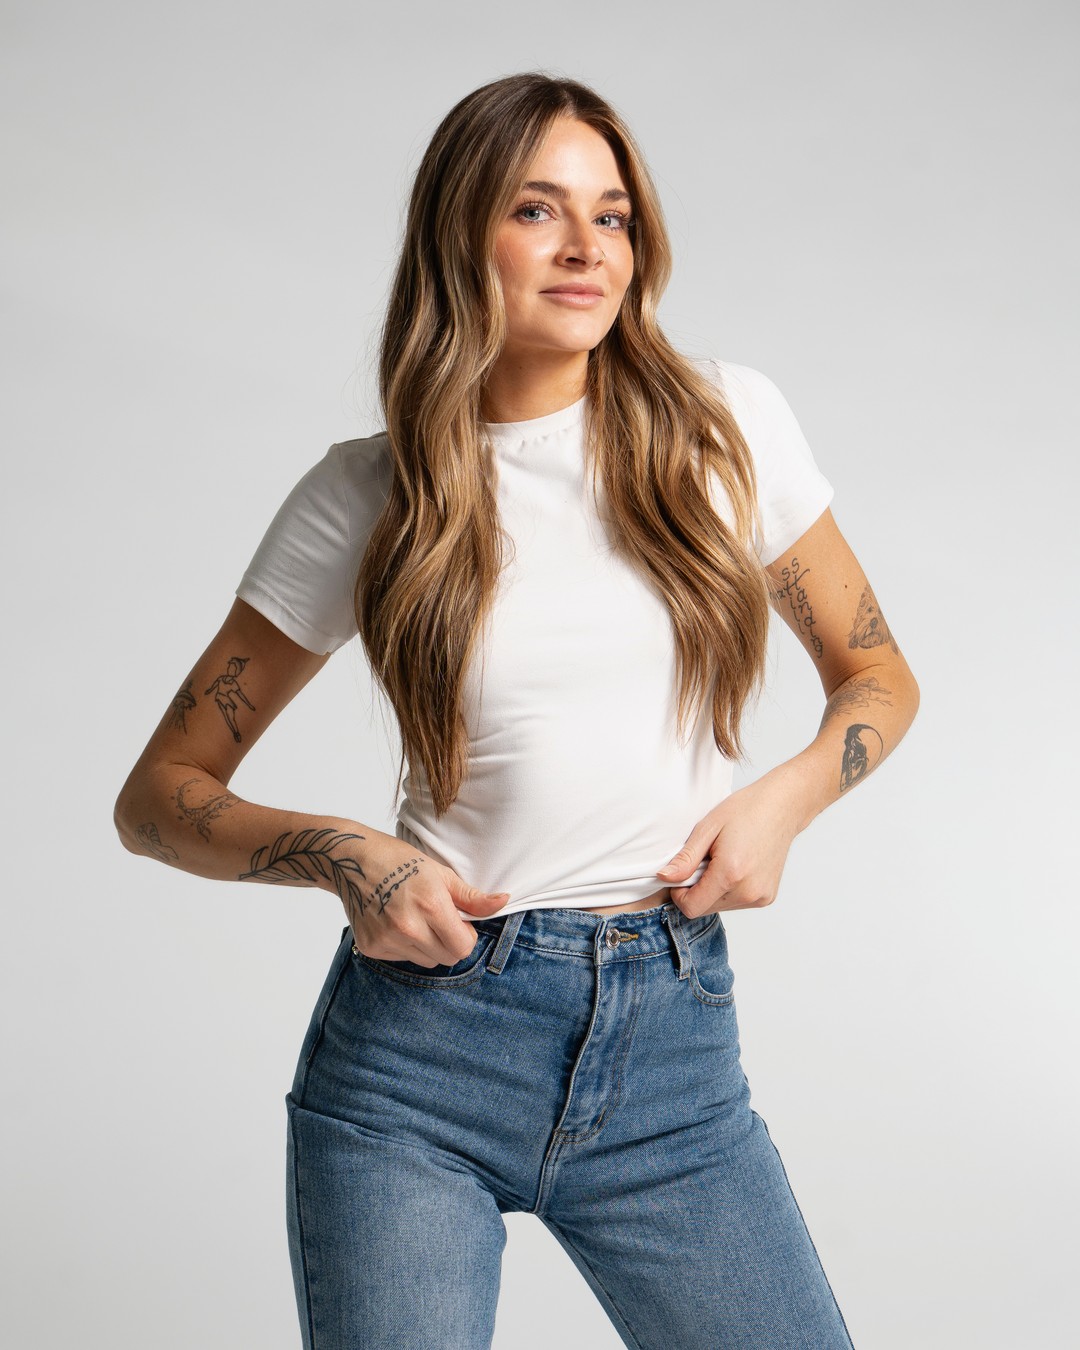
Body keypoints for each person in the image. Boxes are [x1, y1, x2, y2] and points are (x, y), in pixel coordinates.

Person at [115, 71, 919, 1349]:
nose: (586, 247)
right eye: (538, 210)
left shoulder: (727, 429)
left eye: (613, 215)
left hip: (670, 1054)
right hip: (419, 1061)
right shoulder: (368, 495)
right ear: (461, 234)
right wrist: (351, 857)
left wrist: (786, 800)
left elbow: (878, 678)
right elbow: (159, 798)